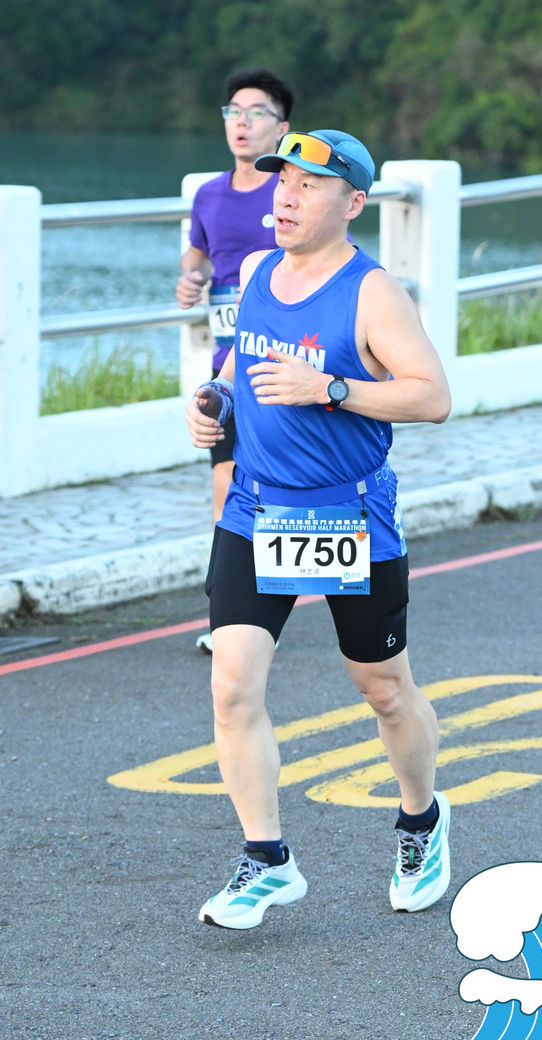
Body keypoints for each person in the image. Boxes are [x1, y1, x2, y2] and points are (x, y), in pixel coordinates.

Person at [185, 128, 453, 929]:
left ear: (353, 202)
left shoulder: (373, 293)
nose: (287, 197)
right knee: (232, 684)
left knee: (384, 690)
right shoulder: (258, 271)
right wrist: (212, 403)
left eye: (308, 185)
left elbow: (430, 396)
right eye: (282, 182)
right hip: (256, 509)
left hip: (347, 513)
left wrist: (329, 387)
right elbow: (236, 368)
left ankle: (421, 820)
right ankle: (266, 859)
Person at [176, 68, 292, 651]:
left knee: (281, 492)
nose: (241, 123)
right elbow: (197, 253)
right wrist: (190, 279)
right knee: (226, 488)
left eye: (256, 113)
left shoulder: (290, 194)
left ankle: (277, 599)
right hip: (227, 372)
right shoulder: (208, 195)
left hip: (286, 368)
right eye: (233, 112)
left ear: (282, 127)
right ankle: (228, 621)